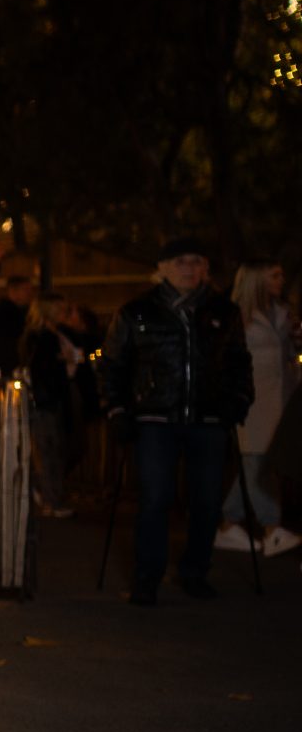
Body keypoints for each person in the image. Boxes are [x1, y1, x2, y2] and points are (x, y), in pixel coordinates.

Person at [97, 238, 254, 603]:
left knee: (206, 501)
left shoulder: (224, 312)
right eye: (181, 261)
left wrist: (239, 401)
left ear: (205, 269)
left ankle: (195, 571)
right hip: (155, 418)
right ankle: (147, 576)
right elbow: (112, 365)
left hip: (209, 418)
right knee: (154, 498)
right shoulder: (136, 311)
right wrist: (116, 409)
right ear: (163, 267)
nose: (189, 268)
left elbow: (238, 362)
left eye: (197, 262)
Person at [218, 261, 299, 556]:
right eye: (274, 275)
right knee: (256, 463)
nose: (281, 279)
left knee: (258, 464)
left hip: (279, 399)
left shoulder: (281, 312)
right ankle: (270, 527)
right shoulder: (236, 316)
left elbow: (287, 355)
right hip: (250, 400)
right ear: (257, 279)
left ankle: (228, 524)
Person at [23, 294, 91, 516]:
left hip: (64, 393)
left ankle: (49, 492)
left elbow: (85, 354)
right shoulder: (38, 337)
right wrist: (60, 361)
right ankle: (50, 499)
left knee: (68, 446)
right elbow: (37, 367)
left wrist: (71, 358)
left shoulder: (61, 334)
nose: (64, 312)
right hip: (47, 398)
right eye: (60, 308)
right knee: (49, 449)